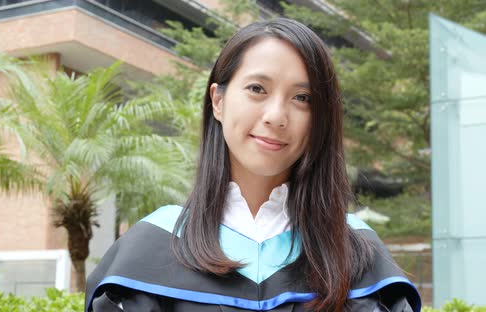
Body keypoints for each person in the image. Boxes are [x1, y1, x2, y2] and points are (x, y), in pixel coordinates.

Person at [85, 18, 421, 312]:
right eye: (257, 89)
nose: (276, 116)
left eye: (302, 98)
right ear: (218, 100)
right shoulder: (150, 249)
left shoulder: (358, 256)